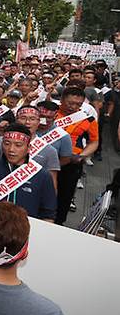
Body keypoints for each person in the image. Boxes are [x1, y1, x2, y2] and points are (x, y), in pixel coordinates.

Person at [0, 106, 60, 189]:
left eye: (32, 119)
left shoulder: (49, 151)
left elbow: (52, 183)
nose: (27, 122)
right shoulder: (5, 140)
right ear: (16, 120)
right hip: (2, 188)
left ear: (39, 122)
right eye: (23, 118)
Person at [55, 87, 99, 224]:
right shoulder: (52, 112)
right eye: (70, 103)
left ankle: (59, 222)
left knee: (65, 196)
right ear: (62, 100)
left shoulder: (88, 119)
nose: (73, 107)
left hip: (71, 162)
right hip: (46, 159)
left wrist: (82, 156)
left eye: (78, 104)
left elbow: (94, 142)